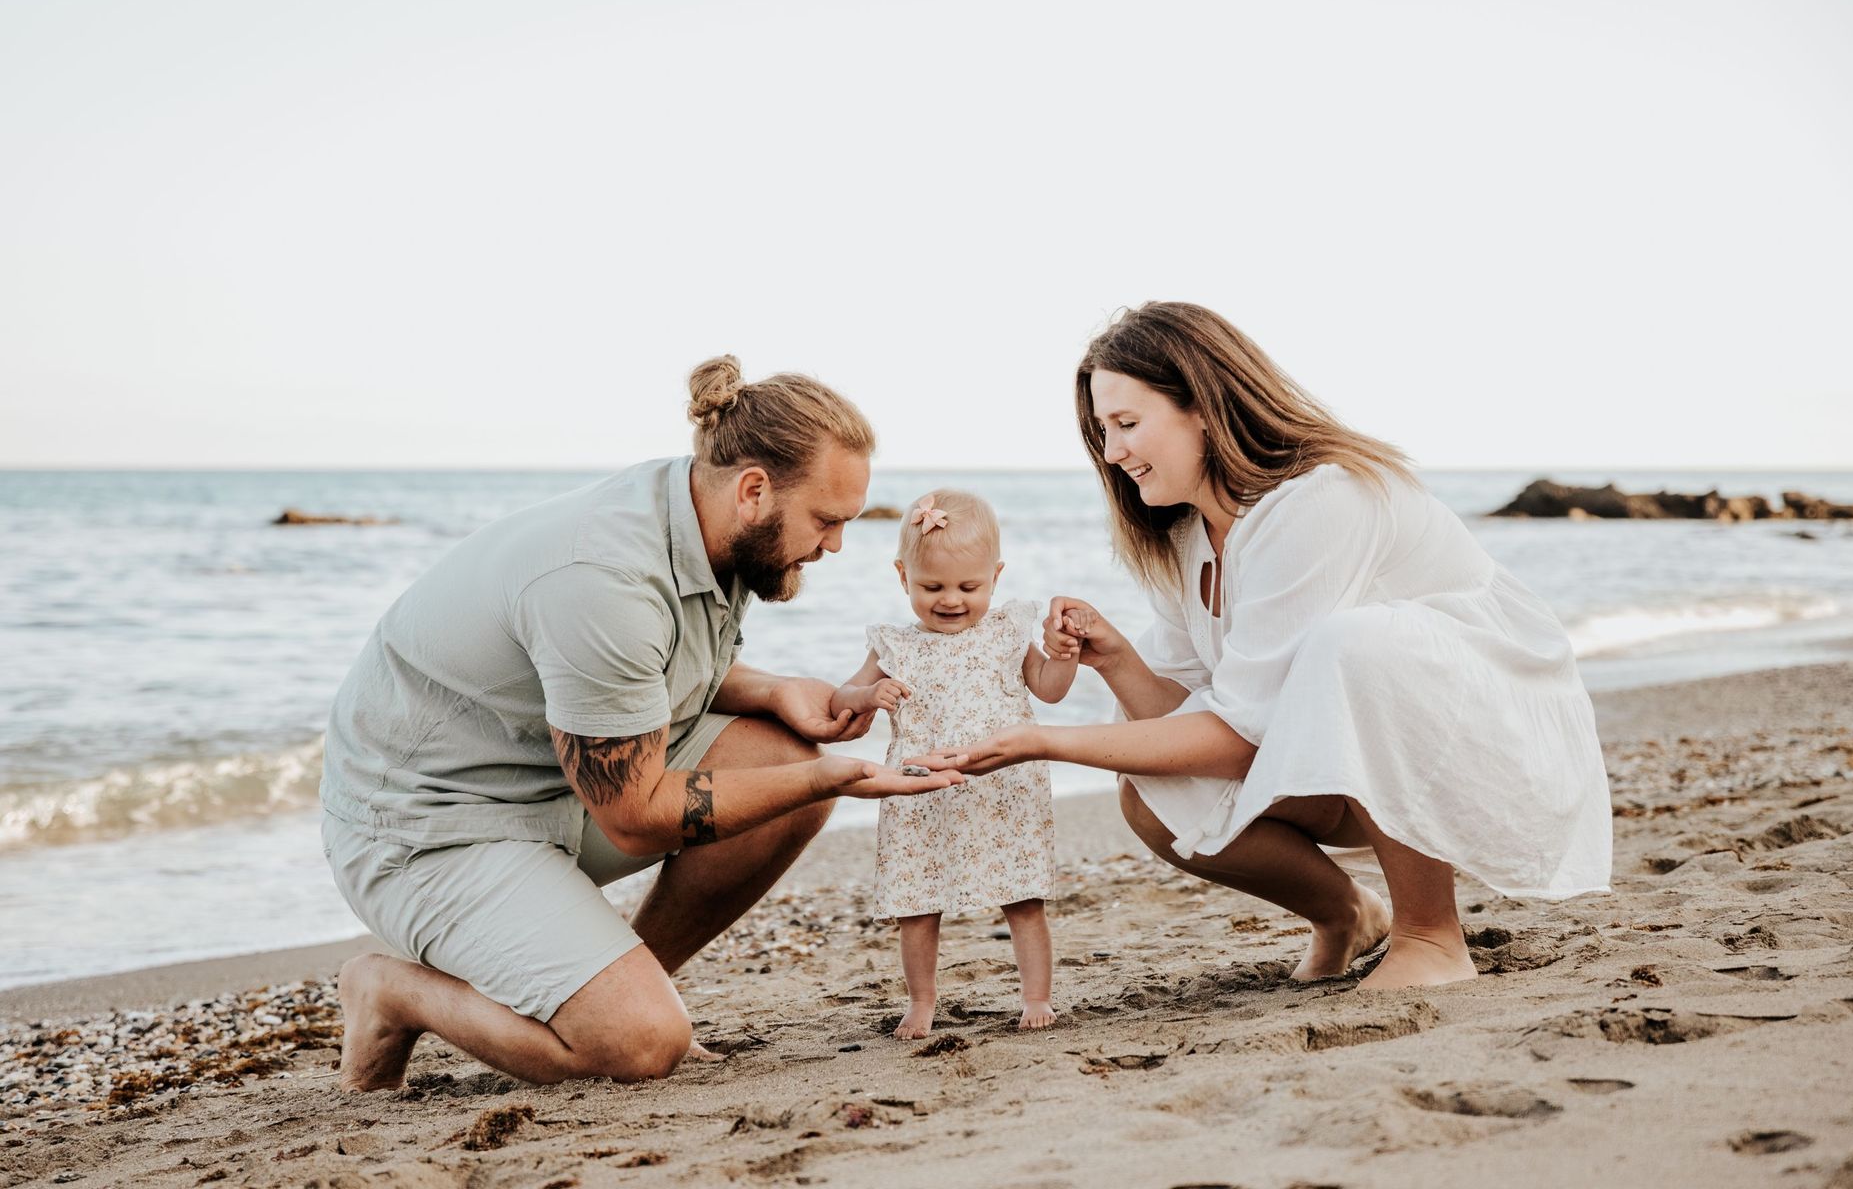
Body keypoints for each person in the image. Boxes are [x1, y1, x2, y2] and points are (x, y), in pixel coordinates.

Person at [922, 302, 1613, 990]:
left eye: (1129, 424)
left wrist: (1044, 740)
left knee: (1356, 644)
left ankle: (1431, 936)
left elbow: (1241, 737)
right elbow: (1198, 719)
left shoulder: (1321, 500)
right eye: (1104, 431)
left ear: (1205, 406)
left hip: (1496, 750)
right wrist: (1118, 661)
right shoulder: (1187, 536)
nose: (1113, 452)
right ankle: (1347, 914)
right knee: (1149, 788)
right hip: (1369, 772)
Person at [319, 356, 964, 1091]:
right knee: (638, 1046)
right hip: (428, 829)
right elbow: (634, 816)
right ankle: (393, 994)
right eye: (826, 521)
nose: (835, 545)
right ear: (754, 489)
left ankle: (620, 983)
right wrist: (829, 777)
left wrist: (777, 691)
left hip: (551, 785)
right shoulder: (604, 577)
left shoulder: (705, 510)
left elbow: (634, 675)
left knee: (780, 754)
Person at [830, 490, 1075, 1037]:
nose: (951, 600)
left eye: (969, 586)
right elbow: (841, 698)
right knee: (917, 907)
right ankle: (921, 1003)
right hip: (920, 794)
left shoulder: (1009, 631)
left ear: (996, 575)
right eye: (931, 587)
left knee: (1024, 899)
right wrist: (869, 697)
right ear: (902, 577)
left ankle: (1036, 996)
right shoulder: (894, 646)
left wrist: (1064, 655)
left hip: (1003, 790)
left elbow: (1051, 692)